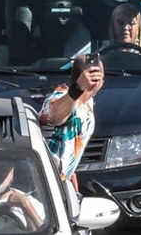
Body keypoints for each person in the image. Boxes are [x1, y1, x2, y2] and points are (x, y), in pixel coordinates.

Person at [38, 54, 104, 190]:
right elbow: (55, 116)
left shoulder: (88, 102)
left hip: (61, 181)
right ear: (97, 80)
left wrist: (69, 169)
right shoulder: (61, 96)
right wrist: (78, 89)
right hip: (43, 182)